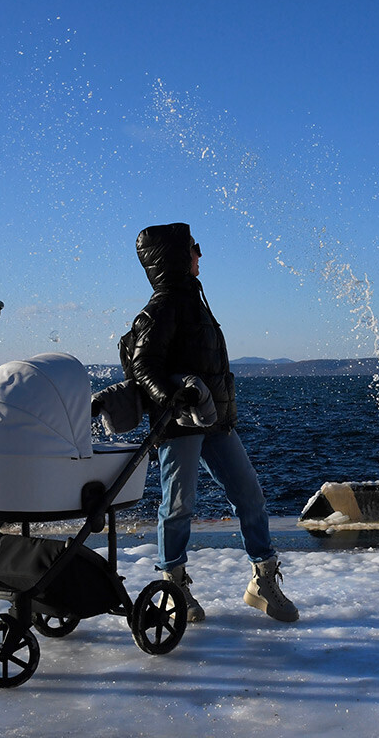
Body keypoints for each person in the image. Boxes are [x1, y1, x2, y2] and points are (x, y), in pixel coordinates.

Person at [123, 222, 298, 623]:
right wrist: (170, 398)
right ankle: (173, 586)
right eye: (193, 247)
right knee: (178, 505)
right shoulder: (164, 306)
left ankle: (263, 581)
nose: (200, 254)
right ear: (175, 258)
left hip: (214, 419)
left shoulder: (191, 301)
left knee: (249, 493)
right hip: (181, 422)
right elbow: (143, 364)